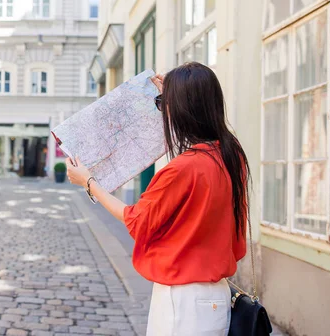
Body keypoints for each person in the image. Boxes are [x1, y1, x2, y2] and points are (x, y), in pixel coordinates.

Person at [66, 62, 249, 336]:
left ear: (183, 108)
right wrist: (175, 92)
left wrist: (89, 182)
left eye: (164, 104)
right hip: (216, 296)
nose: (163, 111)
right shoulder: (232, 155)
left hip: (183, 300)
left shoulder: (184, 168)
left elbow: (135, 220)